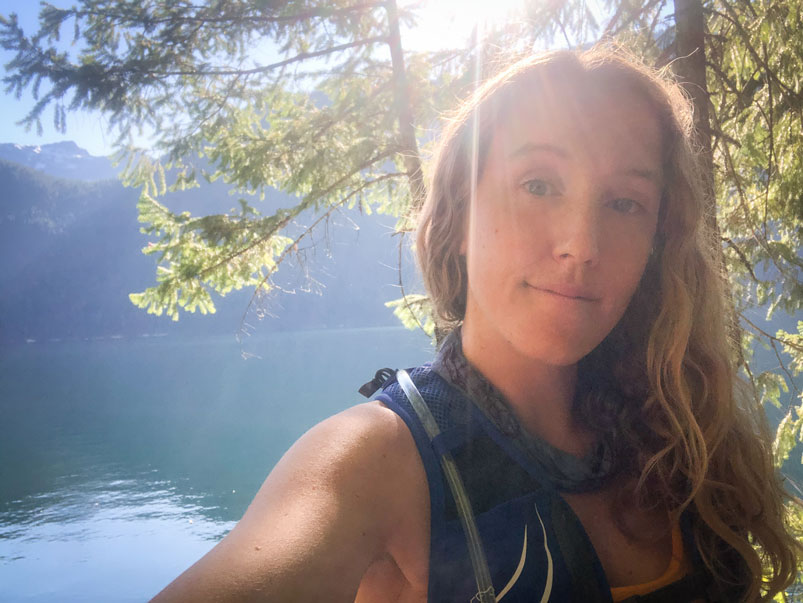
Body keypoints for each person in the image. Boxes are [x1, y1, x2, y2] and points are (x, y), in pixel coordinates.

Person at [151, 48, 800, 602]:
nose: (581, 244)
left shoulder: (675, 432)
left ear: (657, 242)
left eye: (624, 201)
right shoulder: (373, 460)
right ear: (460, 216)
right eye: (538, 184)